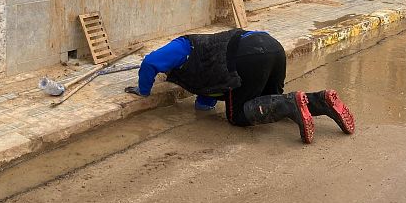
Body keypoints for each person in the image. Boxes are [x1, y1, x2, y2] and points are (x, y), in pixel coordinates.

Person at [125, 29, 354, 143]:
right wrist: (201, 109)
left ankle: (290, 104)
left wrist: (143, 90)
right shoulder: (205, 56)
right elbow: (207, 92)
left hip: (249, 54)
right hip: (272, 47)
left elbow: (150, 62)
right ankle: (320, 100)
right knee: (268, 102)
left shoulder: (183, 45)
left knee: (237, 116)